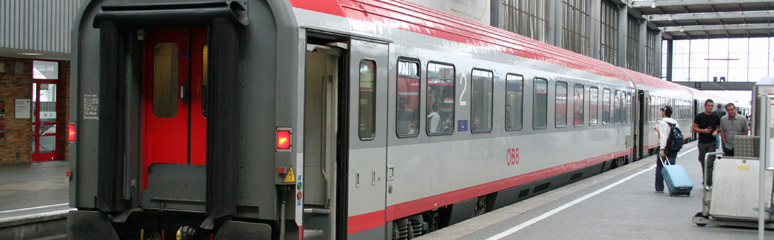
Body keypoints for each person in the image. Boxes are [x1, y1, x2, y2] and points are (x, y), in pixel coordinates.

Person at [693, 99, 720, 188]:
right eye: (708, 106)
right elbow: (694, 128)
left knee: (709, 162)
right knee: (703, 161)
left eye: (712, 106)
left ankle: (708, 183)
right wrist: (704, 131)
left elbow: (719, 127)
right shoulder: (699, 117)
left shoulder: (715, 117)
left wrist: (716, 131)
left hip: (711, 142)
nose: (710, 107)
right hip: (702, 143)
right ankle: (706, 180)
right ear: (705, 106)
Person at [654, 106, 679, 193]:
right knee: (671, 166)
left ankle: (659, 187)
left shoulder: (663, 123)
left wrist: (662, 148)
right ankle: (673, 186)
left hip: (665, 148)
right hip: (673, 148)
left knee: (660, 167)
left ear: (664, 112)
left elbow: (664, 137)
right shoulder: (675, 122)